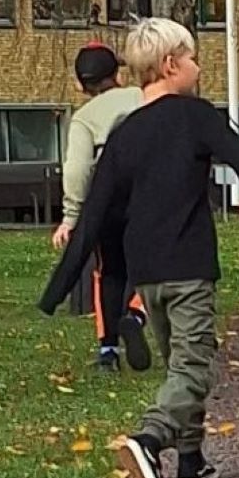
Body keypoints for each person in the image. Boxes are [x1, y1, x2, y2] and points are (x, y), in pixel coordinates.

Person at [40, 18, 239, 478]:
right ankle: (150, 439)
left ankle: (191, 460)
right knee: (194, 368)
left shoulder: (123, 132)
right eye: (193, 57)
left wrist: (57, 289)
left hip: (145, 272)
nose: (199, 67)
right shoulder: (197, 117)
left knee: (180, 365)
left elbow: (94, 213)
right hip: (189, 264)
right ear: (170, 64)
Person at [54, 42, 150, 372]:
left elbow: (77, 169)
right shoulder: (142, 97)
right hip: (148, 196)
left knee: (109, 272)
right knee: (152, 264)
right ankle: (136, 314)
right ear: (118, 73)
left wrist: (71, 217)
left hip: (107, 203)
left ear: (80, 84)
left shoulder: (84, 118)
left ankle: (108, 350)